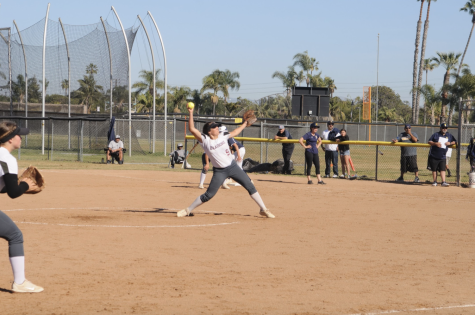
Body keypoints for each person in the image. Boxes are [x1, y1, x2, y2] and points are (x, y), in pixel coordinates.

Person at [177, 107, 275, 218]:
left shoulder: (223, 135)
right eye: (214, 127)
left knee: (250, 186)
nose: (217, 127)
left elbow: (236, 131)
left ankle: (263, 209)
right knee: (209, 195)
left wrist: (245, 123)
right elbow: (192, 129)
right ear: (209, 131)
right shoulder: (205, 140)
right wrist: (191, 113)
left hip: (233, 167)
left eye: (217, 126)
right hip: (220, 171)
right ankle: (188, 210)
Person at [0, 121, 44, 293]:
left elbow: (4, 188)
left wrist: (18, 185)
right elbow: (13, 193)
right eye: (18, 135)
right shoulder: (8, 159)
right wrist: (25, 185)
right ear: (10, 139)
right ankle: (20, 282)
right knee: (15, 235)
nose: (21, 138)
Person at [428, 123, 457, 187]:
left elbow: (455, 141)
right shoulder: (436, 135)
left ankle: (443, 182)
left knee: (442, 169)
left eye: (446, 128)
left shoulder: (449, 135)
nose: (444, 129)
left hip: (443, 156)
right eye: (443, 128)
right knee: (434, 169)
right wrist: (435, 143)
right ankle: (435, 181)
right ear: (440, 128)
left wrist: (450, 143)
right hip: (434, 155)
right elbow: (429, 141)